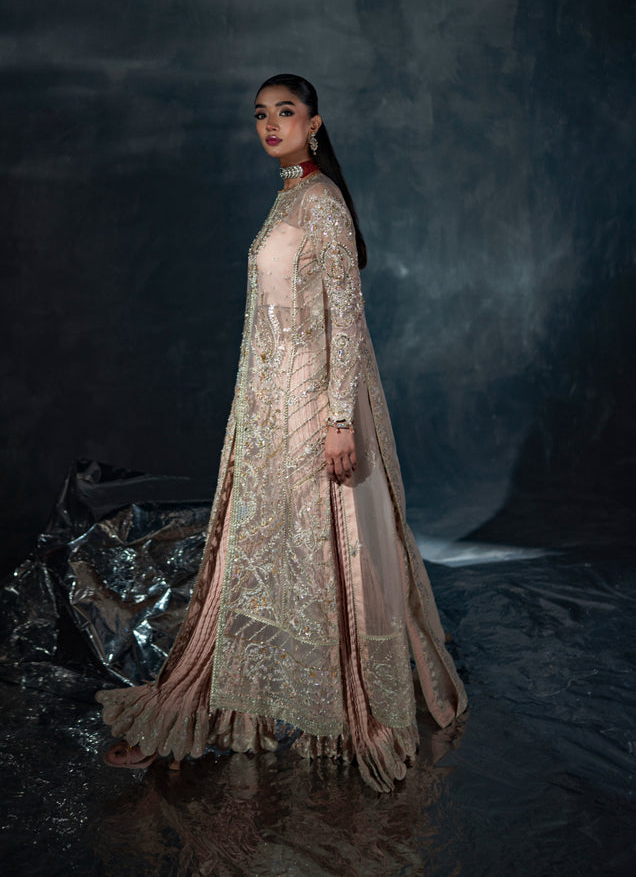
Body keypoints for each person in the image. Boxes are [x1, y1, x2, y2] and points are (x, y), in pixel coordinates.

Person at [97, 73, 467, 792]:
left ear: (314, 124)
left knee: (313, 551)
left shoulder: (322, 202)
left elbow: (346, 320)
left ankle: (332, 709)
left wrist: (338, 421)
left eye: (286, 112)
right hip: (268, 405)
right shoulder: (289, 196)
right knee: (258, 556)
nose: (270, 125)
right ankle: (230, 708)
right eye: (261, 114)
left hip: (311, 405)